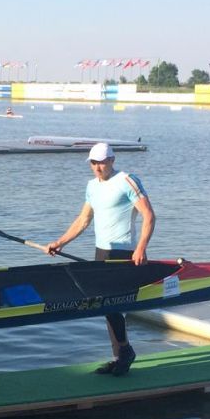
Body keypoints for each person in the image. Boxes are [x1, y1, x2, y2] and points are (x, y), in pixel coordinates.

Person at [46, 142, 155, 377]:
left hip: (124, 253)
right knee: (107, 308)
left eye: (102, 162)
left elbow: (149, 215)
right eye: (93, 163)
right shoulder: (91, 187)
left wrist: (141, 248)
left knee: (112, 304)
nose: (97, 167)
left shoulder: (127, 180)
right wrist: (60, 242)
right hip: (101, 252)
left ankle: (125, 351)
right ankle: (119, 357)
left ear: (112, 161)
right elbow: (83, 220)